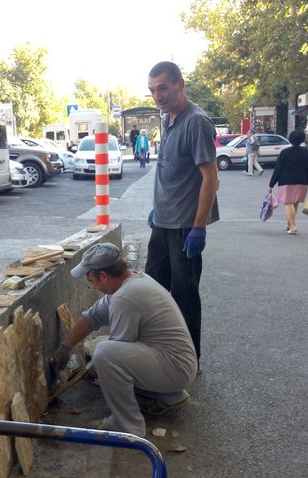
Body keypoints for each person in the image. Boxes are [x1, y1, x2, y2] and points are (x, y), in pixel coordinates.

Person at [49, 243, 197, 437]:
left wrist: (97, 369)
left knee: (104, 353)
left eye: (92, 280)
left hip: (175, 367)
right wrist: (65, 347)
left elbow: (117, 352)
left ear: (103, 275)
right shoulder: (130, 281)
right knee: (104, 355)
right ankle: (170, 396)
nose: (93, 286)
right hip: (178, 363)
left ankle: (126, 425)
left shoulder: (125, 297)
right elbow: (91, 317)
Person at [146, 60, 218, 370]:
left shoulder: (196, 122)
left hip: (183, 228)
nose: (157, 95)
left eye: (163, 87)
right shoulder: (168, 118)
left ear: (180, 84)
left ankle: (189, 362)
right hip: (163, 223)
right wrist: (158, 208)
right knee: (152, 289)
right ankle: (161, 351)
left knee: (184, 295)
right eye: (152, 90)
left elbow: (210, 178)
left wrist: (198, 227)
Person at [267, 129, 308, 235]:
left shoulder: (285, 153)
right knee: (295, 202)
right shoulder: (306, 152)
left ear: (290, 139)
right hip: (302, 182)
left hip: (286, 182)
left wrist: (271, 185)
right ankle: (289, 223)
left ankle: (293, 226)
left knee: (288, 202)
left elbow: (277, 170)